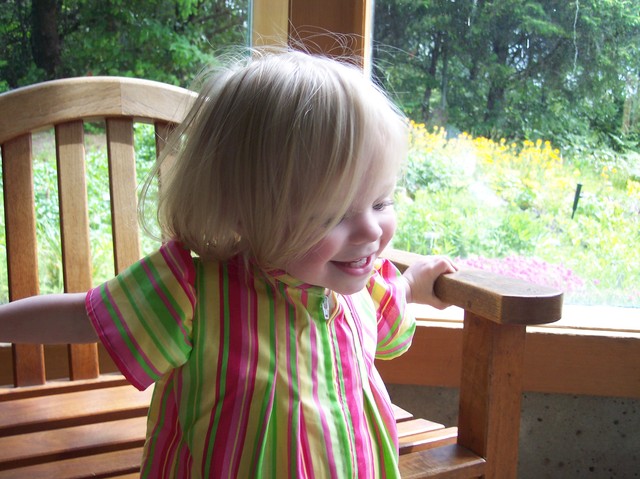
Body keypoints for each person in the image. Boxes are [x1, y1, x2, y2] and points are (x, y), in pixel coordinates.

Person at [0, 49, 456, 478]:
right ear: (243, 208)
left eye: (382, 201)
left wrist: (414, 284)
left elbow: (393, 306)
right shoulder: (196, 296)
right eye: (333, 214)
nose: (372, 232)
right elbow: (81, 318)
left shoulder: (362, 288)